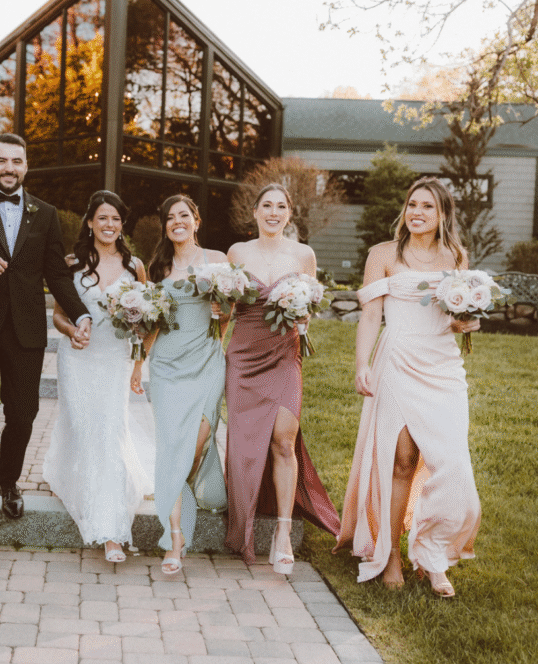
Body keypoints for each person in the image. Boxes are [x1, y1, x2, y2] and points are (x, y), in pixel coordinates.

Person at [334, 177, 481, 598]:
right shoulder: (383, 254)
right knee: (400, 461)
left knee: (451, 465)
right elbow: (370, 315)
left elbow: (460, 318)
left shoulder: (456, 256)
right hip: (397, 362)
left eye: (427, 206)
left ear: (443, 214)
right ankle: (392, 554)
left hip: (443, 368)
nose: (417, 212)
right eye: (412, 204)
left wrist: (468, 320)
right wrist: (362, 364)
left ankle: (433, 554)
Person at [0, 133, 91, 561]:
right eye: (2, 160)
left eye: (16, 161)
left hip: (26, 332)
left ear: (26, 166)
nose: (9, 168)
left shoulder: (45, 213)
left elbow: (56, 273)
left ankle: (8, 481)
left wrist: (81, 314)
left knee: (24, 414)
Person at [223, 183, 340, 573]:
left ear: (289, 213)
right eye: (267, 206)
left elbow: (310, 306)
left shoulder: (303, 254)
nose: (273, 213)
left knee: (284, 441)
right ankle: (244, 524)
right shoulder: (237, 252)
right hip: (244, 355)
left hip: (285, 354)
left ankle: (283, 533)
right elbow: (227, 305)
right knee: (244, 442)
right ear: (255, 212)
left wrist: (304, 319)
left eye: (280, 207)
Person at [43, 191, 154, 563]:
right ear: (89, 222)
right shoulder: (71, 263)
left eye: (116, 219)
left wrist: (138, 355)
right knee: (80, 425)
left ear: (122, 225)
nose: (109, 224)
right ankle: (68, 476)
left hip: (114, 359)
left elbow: (148, 320)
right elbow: (59, 315)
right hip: (77, 358)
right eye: (102, 217)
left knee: (108, 433)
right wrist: (71, 331)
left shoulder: (135, 267)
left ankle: (111, 532)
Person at [130, 195, 227, 575]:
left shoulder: (216, 260)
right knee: (173, 449)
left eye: (184, 215)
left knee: (196, 444)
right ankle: (175, 539)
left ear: (196, 220)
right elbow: (151, 322)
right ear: (165, 226)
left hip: (206, 362)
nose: (177, 222)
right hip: (168, 367)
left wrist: (223, 310)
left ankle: (190, 490)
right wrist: (138, 364)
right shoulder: (157, 268)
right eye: (170, 217)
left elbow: (229, 313)